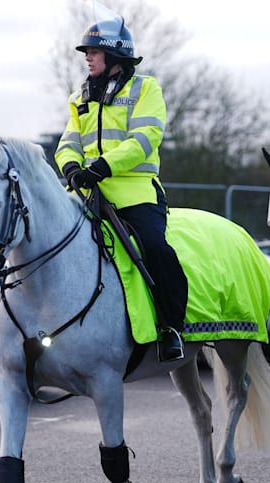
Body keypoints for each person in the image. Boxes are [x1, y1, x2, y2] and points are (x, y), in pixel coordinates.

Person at [55, 13, 187, 362]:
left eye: (94, 51)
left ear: (114, 57)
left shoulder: (146, 89)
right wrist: (70, 167)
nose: (87, 57)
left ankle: (172, 327)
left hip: (135, 191)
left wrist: (103, 166)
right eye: (86, 52)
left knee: (156, 249)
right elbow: (67, 141)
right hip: (85, 194)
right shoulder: (78, 96)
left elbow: (145, 139)